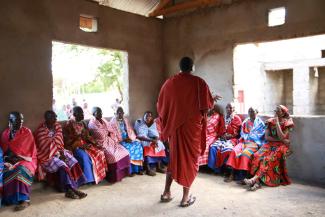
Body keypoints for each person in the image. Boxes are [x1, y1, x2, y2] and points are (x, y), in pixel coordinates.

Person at [157, 56, 213, 207]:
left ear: (179, 67)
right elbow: (206, 107)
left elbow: (161, 107)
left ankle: (166, 192)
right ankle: (185, 198)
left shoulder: (169, 83)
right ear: (192, 67)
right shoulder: (199, 83)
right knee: (189, 161)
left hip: (175, 130)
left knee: (174, 160)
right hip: (192, 130)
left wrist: (172, 119)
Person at [35, 110, 87, 199]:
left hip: (60, 151)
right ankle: (69, 190)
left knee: (73, 161)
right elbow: (45, 146)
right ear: (47, 119)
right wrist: (58, 155)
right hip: (47, 155)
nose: (56, 119)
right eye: (53, 117)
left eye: (56, 117)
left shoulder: (58, 126)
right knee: (62, 164)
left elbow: (59, 141)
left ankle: (73, 188)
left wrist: (61, 153)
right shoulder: (40, 131)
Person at [243, 105, 294, 191]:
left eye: (278, 111)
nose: (276, 112)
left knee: (267, 159)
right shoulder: (270, 122)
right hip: (269, 144)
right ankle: (257, 182)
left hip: (281, 147)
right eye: (275, 110)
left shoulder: (287, 123)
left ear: (283, 113)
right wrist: (281, 139)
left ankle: (255, 180)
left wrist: (277, 123)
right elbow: (267, 137)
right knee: (256, 155)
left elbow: (282, 137)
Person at [1, 112, 37, 211]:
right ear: (10, 121)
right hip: (10, 160)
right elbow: (3, 152)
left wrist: (19, 157)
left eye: (21, 121)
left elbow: (30, 152)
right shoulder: (5, 134)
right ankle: (9, 199)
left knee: (20, 171)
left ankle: (25, 200)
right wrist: (7, 159)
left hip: (26, 160)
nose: (20, 123)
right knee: (3, 171)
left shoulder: (27, 132)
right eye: (17, 121)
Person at [63, 106, 107, 184]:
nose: (83, 115)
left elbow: (87, 136)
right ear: (75, 114)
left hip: (85, 144)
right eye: (81, 113)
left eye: (83, 113)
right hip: (75, 147)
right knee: (85, 157)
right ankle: (89, 179)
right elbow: (67, 140)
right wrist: (79, 145)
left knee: (100, 152)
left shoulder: (83, 123)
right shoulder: (69, 124)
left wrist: (96, 143)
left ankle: (99, 176)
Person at [88, 107, 130, 183]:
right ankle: (113, 178)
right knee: (113, 156)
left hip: (110, 140)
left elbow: (110, 128)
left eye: (101, 112)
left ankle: (123, 174)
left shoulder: (103, 119)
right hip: (101, 143)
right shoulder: (92, 123)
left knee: (125, 151)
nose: (101, 114)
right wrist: (107, 131)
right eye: (98, 112)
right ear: (94, 114)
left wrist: (107, 132)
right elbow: (100, 135)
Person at [225, 107, 265, 182]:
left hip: (254, 143)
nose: (251, 113)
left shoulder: (260, 123)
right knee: (234, 151)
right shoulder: (245, 122)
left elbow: (260, 135)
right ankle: (232, 175)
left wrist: (250, 136)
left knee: (245, 154)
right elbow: (242, 133)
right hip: (244, 141)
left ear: (256, 112)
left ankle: (244, 177)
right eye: (249, 111)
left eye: (252, 111)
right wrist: (246, 137)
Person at [207, 103, 242, 173]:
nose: (229, 109)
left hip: (232, 139)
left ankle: (226, 171)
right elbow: (220, 129)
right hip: (223, 138)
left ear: (234, 109)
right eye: (227, 108)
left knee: (226, 149)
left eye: (231, 108)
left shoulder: (236, 118)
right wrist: (222, 135)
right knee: (213, 147)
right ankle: (215, 169)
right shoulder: (224, 117)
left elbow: (236, 132)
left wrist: (229, 136)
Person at [109, 107, 144, 176]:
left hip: (128, 138)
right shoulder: (112, 122)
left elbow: (130, 130)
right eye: (118, 112)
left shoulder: (125, 120)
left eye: (121, 112)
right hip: (120, 141)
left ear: (123, 113)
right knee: (128, 149)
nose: (120, 114)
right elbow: (113, 135)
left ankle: (138, 169)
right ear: (115, 113)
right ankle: (130, 171)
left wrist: (130, 138)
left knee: (138, 145)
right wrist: (123, 140)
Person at [134, 111, 166, 176]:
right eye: (146, 116)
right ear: (144, 117)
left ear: (151, 118)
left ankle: (158, 166)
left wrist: (156, 140)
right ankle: (148, 169)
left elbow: (155, 134)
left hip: (150, 138)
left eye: (149, 116)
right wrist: (151, 140)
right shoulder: (139, 122)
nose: (148, 118)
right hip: (143, 139)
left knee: (160, 144)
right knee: (146, 147)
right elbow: (140, 136)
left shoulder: (152, 123)